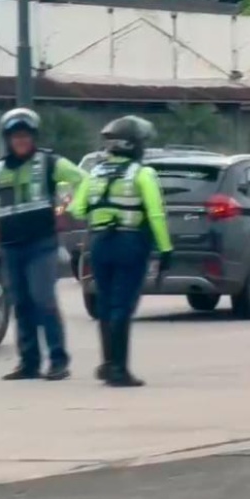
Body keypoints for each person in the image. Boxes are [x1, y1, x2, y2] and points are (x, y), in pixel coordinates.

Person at [0, 107, 86, 381]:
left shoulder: (50, 163)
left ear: (33, 137)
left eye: (25, 135)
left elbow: (84, 180)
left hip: (42, 244)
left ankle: (58, 360)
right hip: (11, 246)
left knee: (43, 300)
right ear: (8, 139)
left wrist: (72, 211)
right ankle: (29, 363)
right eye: (15, 136)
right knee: (21, 303)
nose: (21, 141)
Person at [69, 116, 172, 387]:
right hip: (130, 243)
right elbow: (156, 214)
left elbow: (77, 209)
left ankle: (107, 362)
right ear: (134, 145)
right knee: (122, 306)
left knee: (104, 304)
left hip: (100, 244)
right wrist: (165, 249)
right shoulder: (142, 174)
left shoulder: (95, 174)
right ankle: (120, 369)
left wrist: (104, 212)